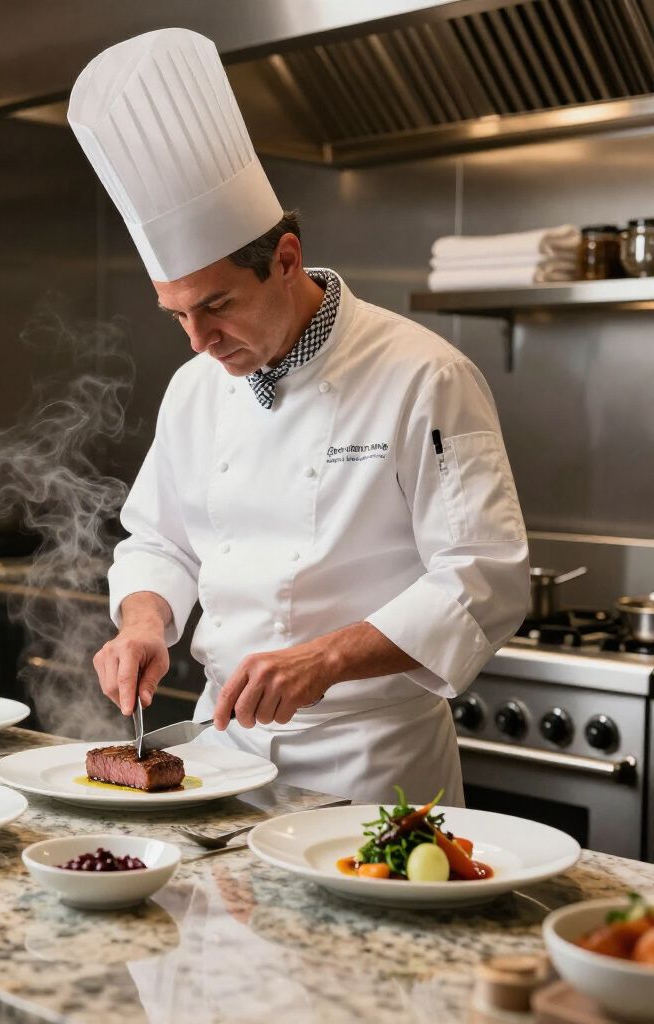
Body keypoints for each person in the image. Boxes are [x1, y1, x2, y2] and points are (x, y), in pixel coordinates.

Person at [69, 28, 529, 804]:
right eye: (176, 315)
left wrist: (323, 660)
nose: (199, 341)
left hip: (373, 770)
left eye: (216, 306)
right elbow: (160, 540)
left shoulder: (425, 374)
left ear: (286, 259)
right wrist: (144, 623)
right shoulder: (195, 387)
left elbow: (484, 577)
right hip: (225, 761)